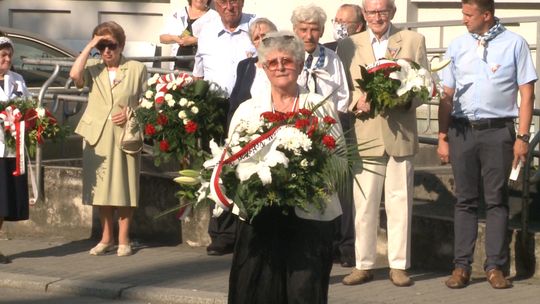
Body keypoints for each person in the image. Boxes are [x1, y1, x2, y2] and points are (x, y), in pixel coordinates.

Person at [227, 30, 344, 304]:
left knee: (303, 291)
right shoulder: (248, 110)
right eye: (273, 62)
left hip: (310, 215)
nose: (280, 67)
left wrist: (306, 176)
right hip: (259, 216)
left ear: (300, 65)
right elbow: (232, 159)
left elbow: (339, 157)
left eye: (287, 60)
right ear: (264, 68)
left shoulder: (318, 106)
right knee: (257, 291)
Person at [438, 0, 537, 290]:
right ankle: (461, 266)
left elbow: (527, 94)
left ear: (486, 15)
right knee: (465, 200)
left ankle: (495, 266)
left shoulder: (515, 44)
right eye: (462, 13)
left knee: (496, 199)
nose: (463, 19)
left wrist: (522, 137)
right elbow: (447, 94)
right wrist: (442, 136)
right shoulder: (457, 45)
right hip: (462, 130)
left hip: (498, 132)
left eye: (468, 14)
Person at [337, 0, 429, 286]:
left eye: (383, 11)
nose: (377, 17)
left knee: (400, 203)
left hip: (400, 131)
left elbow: (425, 85)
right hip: (366, 135)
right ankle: (363, 264)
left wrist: (406, 98)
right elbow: (343, 89)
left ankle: (398, 265)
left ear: (392, 12)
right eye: (372, 12)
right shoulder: (348, 45)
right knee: (363, 205)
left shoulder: (413, 40)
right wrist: (356, 102)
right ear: (364, 14)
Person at [70, 21, 147, 257]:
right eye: (101, 46)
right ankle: (106, 237)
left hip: (125, 135)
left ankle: (124, 238)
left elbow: (149, 102)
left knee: (124, 187)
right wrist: (90, 44)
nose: (106, 51)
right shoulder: (93, 67)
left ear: (121, 45)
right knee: (101, 190)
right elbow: (75, 75)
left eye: (111, 45)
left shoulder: (136, 68)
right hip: (98, 136)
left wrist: (131, 113)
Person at [193, 0, 256, 256]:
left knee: (249, 170)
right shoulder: (205, 31)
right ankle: (221, 234)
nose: (230, 6)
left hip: (249, 111)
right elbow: (198, 73)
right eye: (223, 1)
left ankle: (247, 231)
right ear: (215, 6)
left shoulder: (256, 26)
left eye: (235, 0)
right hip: (216, 111)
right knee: (218, 172)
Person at [0, 34, 31, 264]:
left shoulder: (18, 79)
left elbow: (29, 107)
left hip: (11, 149)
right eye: (3, 55)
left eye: (9, 55)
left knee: (3, 201)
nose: (7, 59)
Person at [227, 17, 276, 125]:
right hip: (248, 129)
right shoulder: (245, 66)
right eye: (256, 38)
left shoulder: (284, 65)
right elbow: (234, 104)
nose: (261, 41)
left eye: (264, 35)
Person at [159, 0, 218, 71]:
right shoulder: (178, 14)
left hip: (200, 71)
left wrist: (196, 41)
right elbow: (162, 38)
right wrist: (176, 38)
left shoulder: (215, 17)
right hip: (176, 68)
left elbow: (219, 42)